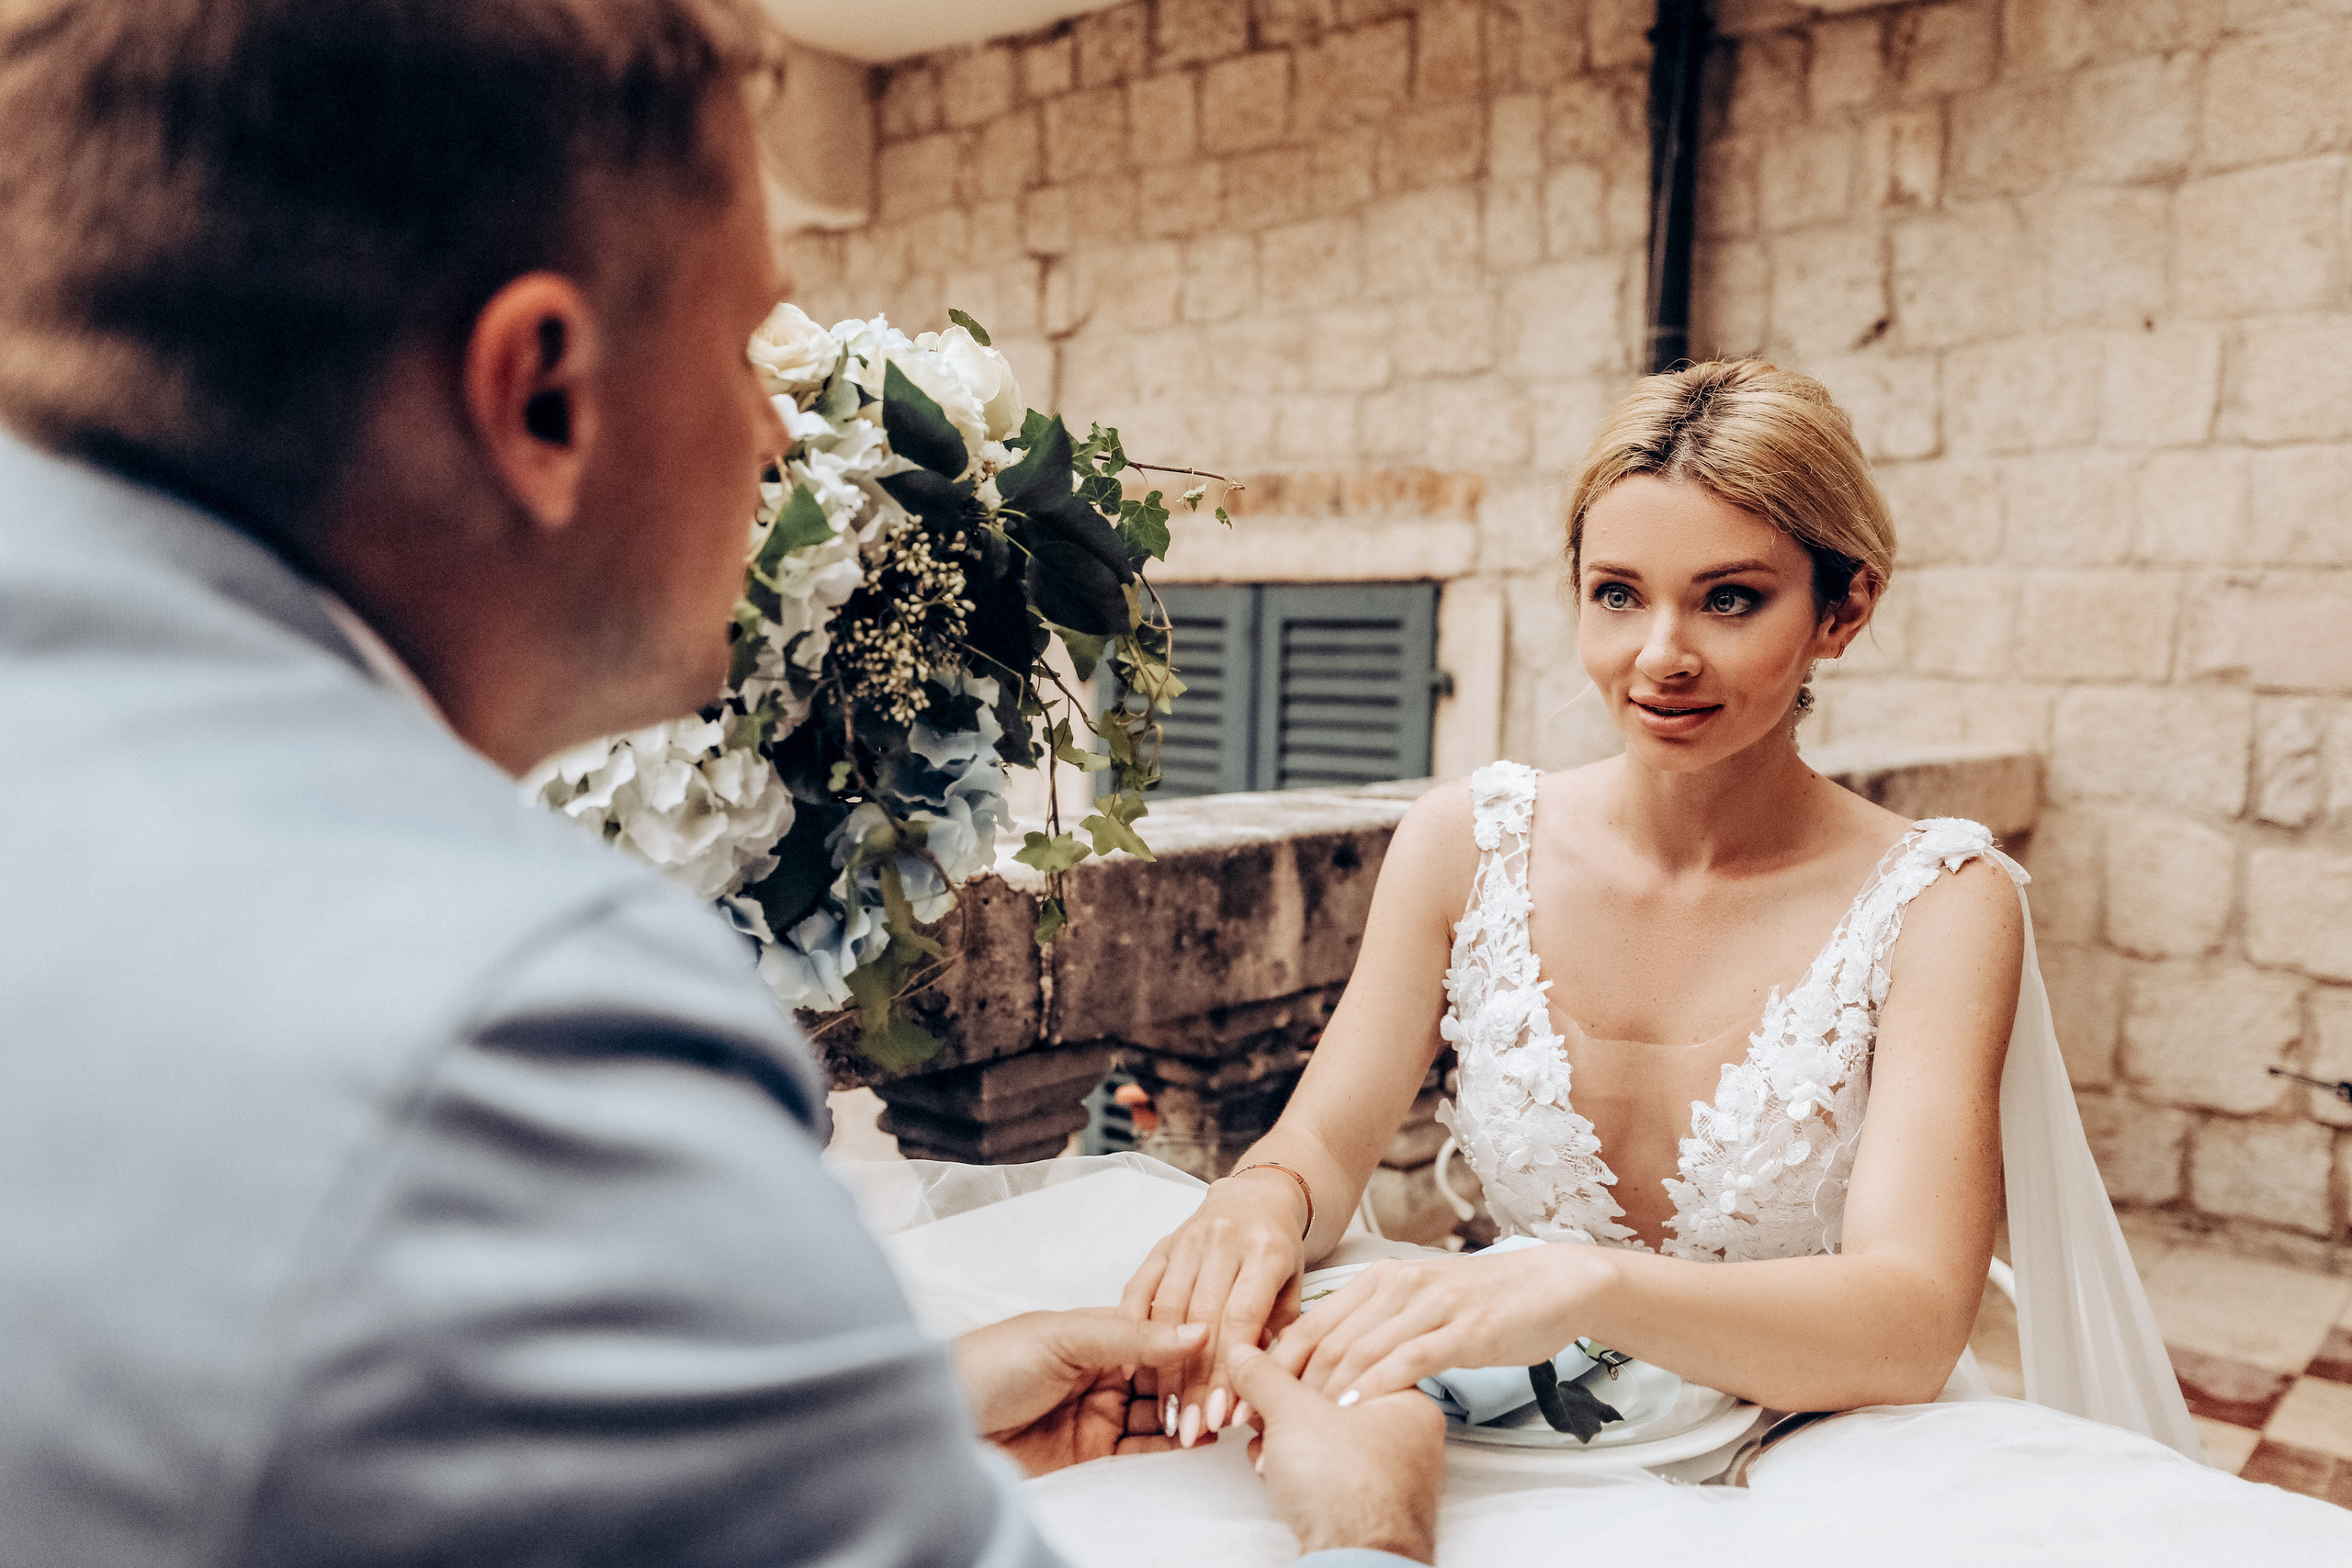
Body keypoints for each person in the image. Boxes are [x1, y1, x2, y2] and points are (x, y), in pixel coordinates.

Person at [0, 2, 1441, 1562]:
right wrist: (1368, 1533)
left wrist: (878, 1429)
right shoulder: (523, 1016)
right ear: (543, 397)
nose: (776, 437)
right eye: (750, 349)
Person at [1005, 361, 2350, 1561]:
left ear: (1844, 609)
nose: (1660, 656)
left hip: (1818, 1443)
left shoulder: (1941, 903)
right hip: (1497, 1420)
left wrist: (1579, 1283)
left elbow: (1910, 1316)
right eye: (1617, 595)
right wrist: (1261, 1199)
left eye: (1730, 599)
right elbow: (1320, 1143)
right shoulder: (1464, 843)